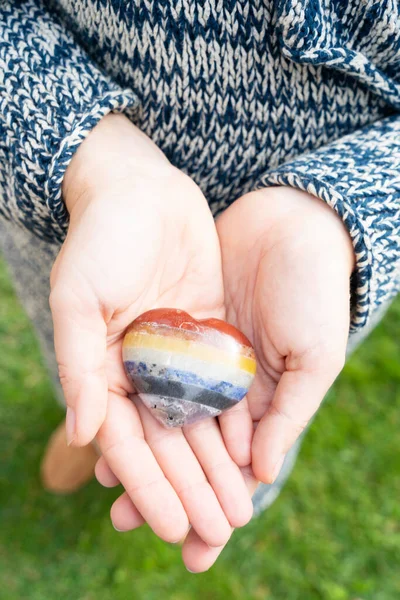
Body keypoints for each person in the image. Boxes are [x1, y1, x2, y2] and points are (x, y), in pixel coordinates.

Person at [0, 0, 399, 573]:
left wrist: (349, 207)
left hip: (298, 281)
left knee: (266, 406)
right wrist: (85, 152)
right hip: (84, 217)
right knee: (83, 364)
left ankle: (108, 437)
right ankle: (81, 431)